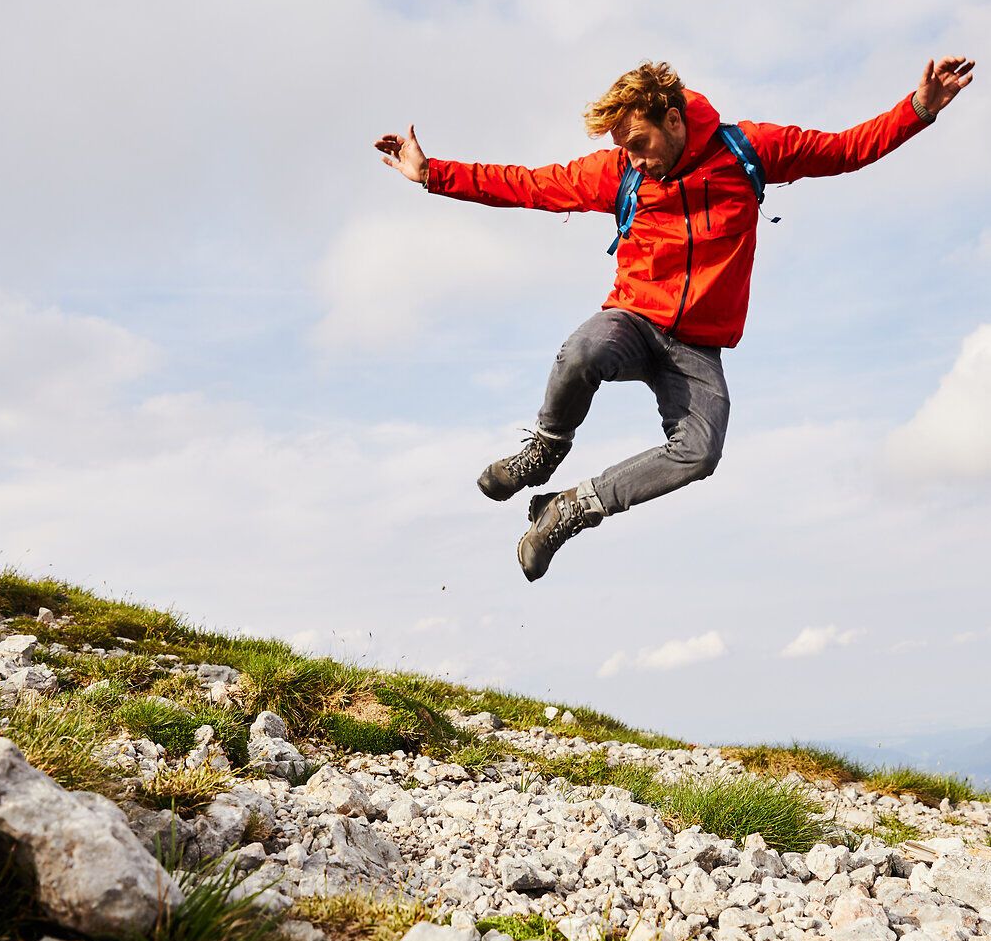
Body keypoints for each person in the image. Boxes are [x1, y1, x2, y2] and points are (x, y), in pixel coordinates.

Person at [375, 56, 975, 581]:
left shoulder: (748, 151)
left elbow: (845, 150)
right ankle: (545, 450)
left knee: (700, 452)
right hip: (632, 320)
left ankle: (567, 510)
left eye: (637, 141)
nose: (629, 155)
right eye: (621, 146)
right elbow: (530, 185)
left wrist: (919, 107)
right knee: (582, 349)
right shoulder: (621, 171)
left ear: (674, 119)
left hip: (696, 347)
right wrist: (432, 174)